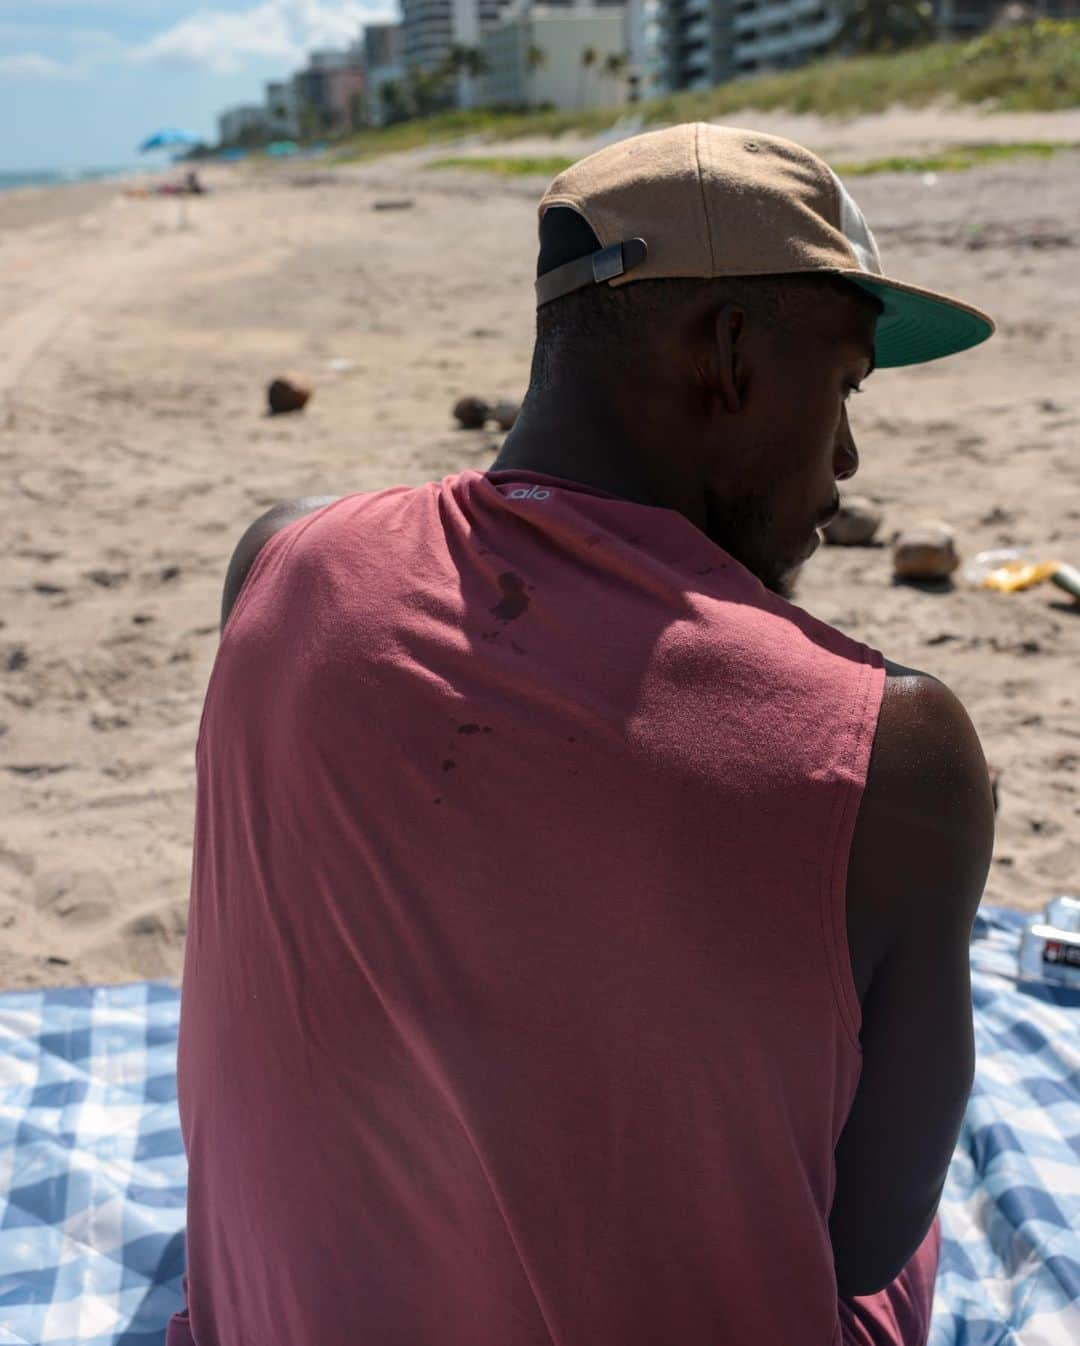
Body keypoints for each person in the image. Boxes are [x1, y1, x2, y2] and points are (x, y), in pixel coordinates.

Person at [167, 124, 996, 1346]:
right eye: (847, 384)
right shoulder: (891, 745)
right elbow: (864, 1239)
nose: (849, 461)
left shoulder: (280, 561)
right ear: (728, 353)